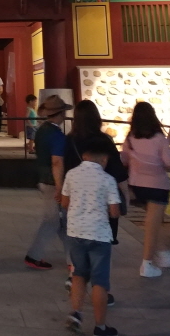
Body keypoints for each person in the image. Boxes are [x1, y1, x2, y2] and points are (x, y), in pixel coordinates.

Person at [61, 134, 121, 336]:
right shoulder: (108, 180)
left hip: (75, 232)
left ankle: (76, 313)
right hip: (99, 235)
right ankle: (100, 327)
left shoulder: (71, 174)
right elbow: (114, 212)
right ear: (104, 159)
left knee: (79, 274)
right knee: (99, 282)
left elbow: (65, 203)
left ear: (84, 156)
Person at [120, 101, 170, 276]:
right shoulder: (159, 139)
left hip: (136, 185)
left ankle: (164, 253)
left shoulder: (130, 138)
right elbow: (169, 163)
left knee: (152, 222)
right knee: (152, 225)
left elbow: (124, 160)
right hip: (157, 186)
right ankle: (147, 263)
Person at [63, 101, 127, 248]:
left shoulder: (69, 140)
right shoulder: (104, 140)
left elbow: (64, 166)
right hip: (102, 195)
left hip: (78, 194)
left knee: (78, 243)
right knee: (103, 243)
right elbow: (117, 170)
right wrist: (126, 195)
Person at [24, 94, 71, 271]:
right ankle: (34, 255)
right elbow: (57, 162)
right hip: (53, 182)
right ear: (60, 113)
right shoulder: (57, 135)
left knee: (61, 221)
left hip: (43, 178)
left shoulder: (42, 131)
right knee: (53, 221)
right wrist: (60, 187)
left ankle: (73, 259)